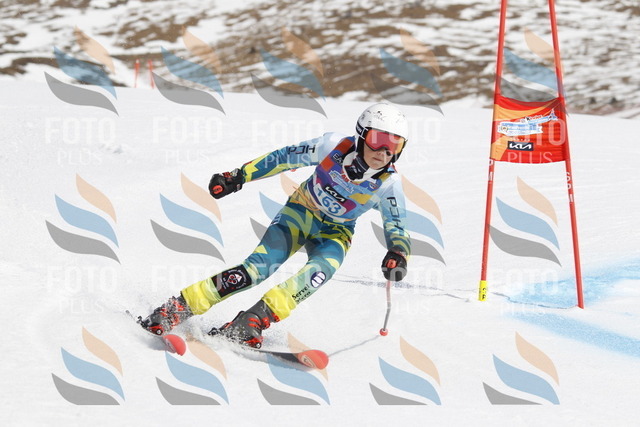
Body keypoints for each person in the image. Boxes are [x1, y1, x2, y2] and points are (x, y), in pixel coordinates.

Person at [140, 102, 412, 348]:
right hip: (302, 211)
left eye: (395, 145)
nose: (384, 152)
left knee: (318, 274)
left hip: (336, 232)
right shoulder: (332, 147)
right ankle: (176, 308)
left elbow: (397, 226)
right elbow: (284, 158)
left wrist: (398, 253)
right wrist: (238, 176)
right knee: (257, 269)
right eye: (378, 140)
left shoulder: (389, 184)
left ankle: (252, 321)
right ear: (362, 134)